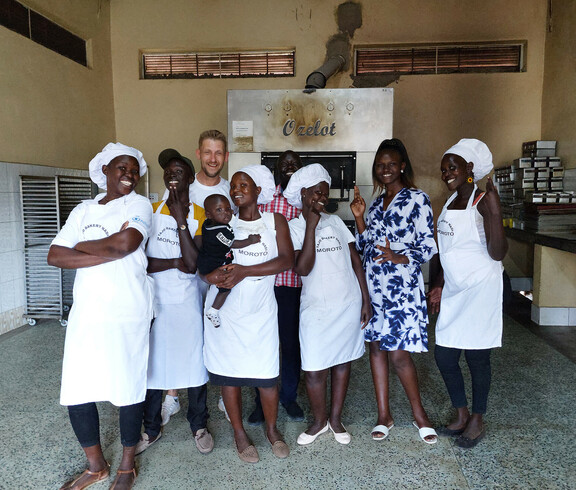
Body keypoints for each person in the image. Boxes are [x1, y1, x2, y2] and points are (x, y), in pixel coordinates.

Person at [47, 143, 153, 490]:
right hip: (87, 313)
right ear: (104, 170)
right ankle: (96, 466)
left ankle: (126, 464)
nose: (129, 175)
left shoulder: (138, 204)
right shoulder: (83, 209)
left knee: (127, 386)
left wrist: (82, 245)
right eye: (121, 168)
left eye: (134, 170)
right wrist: (107, 246)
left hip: (127, 311)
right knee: (77, 389)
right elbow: (55, 255)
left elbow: (127, 244)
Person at [202, 165, 294, 463]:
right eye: (234, 186)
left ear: (259, 190)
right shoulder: (222, 222)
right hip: (226, 310)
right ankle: (239, 433)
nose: (236, 190)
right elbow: (204, 261)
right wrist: (210, 277)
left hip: (261, 308)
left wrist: (245, 271)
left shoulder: (274, 221)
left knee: (267, 375)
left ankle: (271, 429)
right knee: (229, 375)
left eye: (244, 185)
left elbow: (286, 260)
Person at [350, 138, 438, 444]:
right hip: (375, 288)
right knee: (376, 349)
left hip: (402, 289)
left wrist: (402, 257)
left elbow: (428, 246)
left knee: (399, 355)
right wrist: (360, 218)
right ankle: (383, 414)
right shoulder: (375, 204)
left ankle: (419, 415)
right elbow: (364, 249)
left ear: (402, 166)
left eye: (391, 164)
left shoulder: (418, 199)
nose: (385, 170)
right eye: (380, 165)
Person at [283, 164, 371, 446]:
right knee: (314, 369)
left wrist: (365, 299)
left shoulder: (334, 222)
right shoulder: (293, 227)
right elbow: (303, 269)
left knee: (342, 363)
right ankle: (319, 421)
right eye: (317, 192)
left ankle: (335, 419)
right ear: (303, 194)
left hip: (347, 302)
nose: (323, 196)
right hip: (316, 310)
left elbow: (355, 260)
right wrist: (310, 226)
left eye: (325, 191)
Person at [428, 138, 507, 449]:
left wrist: (495, 214)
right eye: (444, 168)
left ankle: (477, 417)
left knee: (477, 357)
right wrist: (438, 283)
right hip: (455, 289)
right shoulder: (448, 203)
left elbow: (498, 252)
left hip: (481, 289)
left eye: (453, 167)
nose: (447, 173)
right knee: (445, 355)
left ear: (470, 168)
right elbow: (447, 251)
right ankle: (460, 413)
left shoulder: (482, 202)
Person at [135, 150, 214, 457]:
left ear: (190, 179)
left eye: (179, 171)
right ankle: (151, 428)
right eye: (169, 170)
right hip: (156, 304)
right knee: (154, 368)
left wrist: (181, 221)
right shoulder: (150, 211)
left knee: (194, 365)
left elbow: (194, 264)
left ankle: (199, 425)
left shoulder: (199, 214)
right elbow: (141, 261)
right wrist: (173, 261)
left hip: (187, 304)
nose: (172, 175)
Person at [157, 137, 231, 424]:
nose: (213, 158)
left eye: (219, 153)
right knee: (180, 337)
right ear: (199, 154)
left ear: (225, 156)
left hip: (215, 276)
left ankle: (226, 394)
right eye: (208, 152)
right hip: (187, 281)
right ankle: (172, 397)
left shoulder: (228, 189)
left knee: (218, 332)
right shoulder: (183, 186)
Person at [248, 150, 305, 425]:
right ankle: (261, 401)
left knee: (291, 344)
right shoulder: (266, 197)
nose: (290, 168)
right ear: (277, 170)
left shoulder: (303, 199)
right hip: (264, 283)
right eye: (285, 164)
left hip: (293, 284)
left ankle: (289, 396)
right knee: (264, 343)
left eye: (295, 164)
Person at [198, 194, 260, 327]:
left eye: (228, 209)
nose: (226, 213)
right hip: (213, 264)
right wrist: (250, 241)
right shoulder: (220, 230)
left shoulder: (208, 224)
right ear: (208, 214)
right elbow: (233, 244)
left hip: (205, 259)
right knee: (226, 287)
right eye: (219, 210)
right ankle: (214, 310)